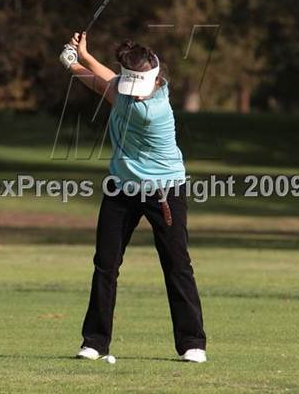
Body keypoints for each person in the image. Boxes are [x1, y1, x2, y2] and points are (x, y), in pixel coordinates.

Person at [60, 32, 207, 363]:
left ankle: (192, 343)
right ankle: (95, 342)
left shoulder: (152, 111)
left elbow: (104, 86)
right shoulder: (129, 91)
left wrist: (73, 62)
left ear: (155, 81)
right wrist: (82, 56)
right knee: (105, 265)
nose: (136, 95)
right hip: (121, 189)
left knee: (177, 265)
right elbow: (109, 82)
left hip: (164, 192)